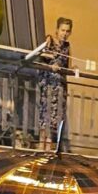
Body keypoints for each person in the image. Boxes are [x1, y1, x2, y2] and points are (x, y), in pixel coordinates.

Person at [25, 17, 73, 151]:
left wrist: (72, 69)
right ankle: (42, 146)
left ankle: (50, 148)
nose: (65, 33)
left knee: (56, 118)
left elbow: (67, 66)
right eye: (62, 30)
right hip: (48, 85)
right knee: (45, 117)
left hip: (60, 87)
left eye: (67, 31)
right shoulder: (49, 41)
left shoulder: (67, 47)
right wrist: (51, 65)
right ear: (57, 30)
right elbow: (40, 59)